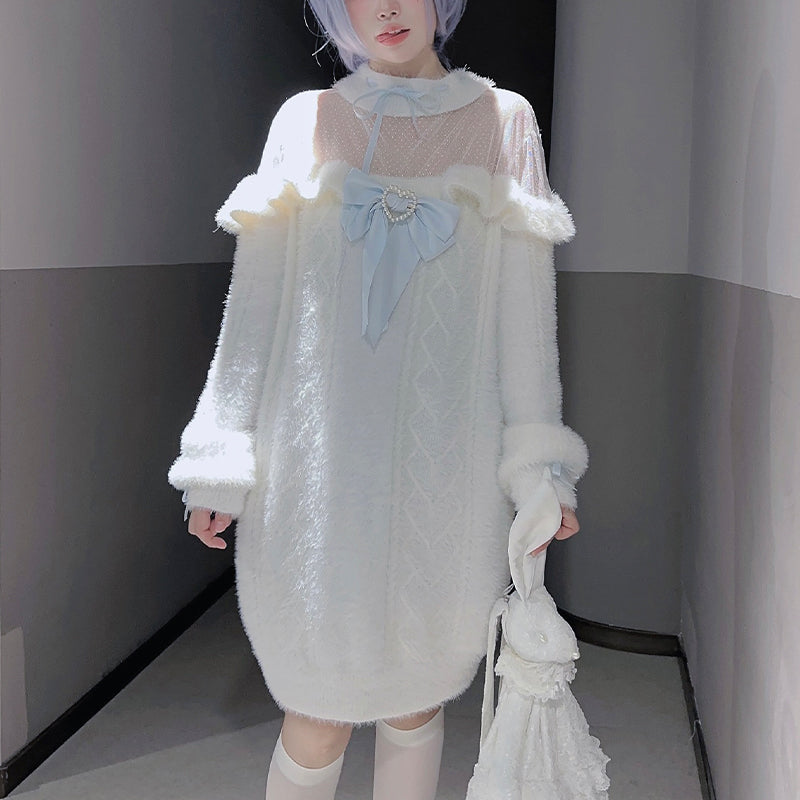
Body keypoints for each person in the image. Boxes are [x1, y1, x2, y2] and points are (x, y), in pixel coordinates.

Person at [168, 1, 588, 798]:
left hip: (447, 476)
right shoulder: (304, 121)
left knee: (418, 697)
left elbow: (527, 320)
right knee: (316, 708)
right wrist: (219, 457)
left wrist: (539, 470)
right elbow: (253, 309)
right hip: (313, 482)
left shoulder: (505, 121)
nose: (386, 8)